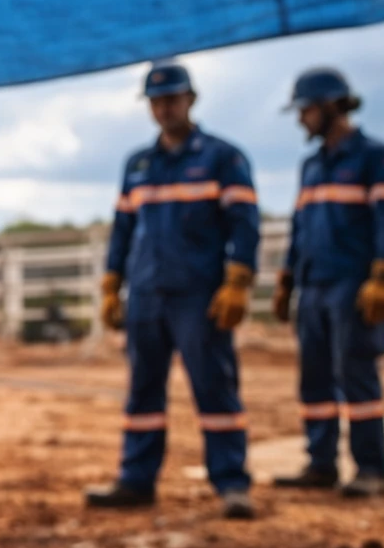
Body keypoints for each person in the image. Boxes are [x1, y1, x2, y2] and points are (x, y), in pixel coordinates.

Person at [87, 62, 261, 519]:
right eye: (156, 100)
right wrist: (111, 284)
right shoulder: (139, 165)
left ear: (191, 99)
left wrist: (238, 282)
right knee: (142, 393)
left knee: (215, 390)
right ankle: (135, 480)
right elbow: (123, 228)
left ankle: (232, 484)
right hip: (146, 295)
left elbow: (245, 225)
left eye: (172, 98)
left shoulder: (224, 157)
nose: (165, 107)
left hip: (200, 297)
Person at [271, 68, 384, 498]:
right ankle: (321, 464)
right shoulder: (311, 166)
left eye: (306, 110)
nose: (301, 120)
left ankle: (370, 469)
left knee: (356, 378)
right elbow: (300, 227)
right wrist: (286, 279)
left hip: (354, 287)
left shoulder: (377, 158)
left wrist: (383, 276)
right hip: (313, 288)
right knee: (314, 381)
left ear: (331, 106)